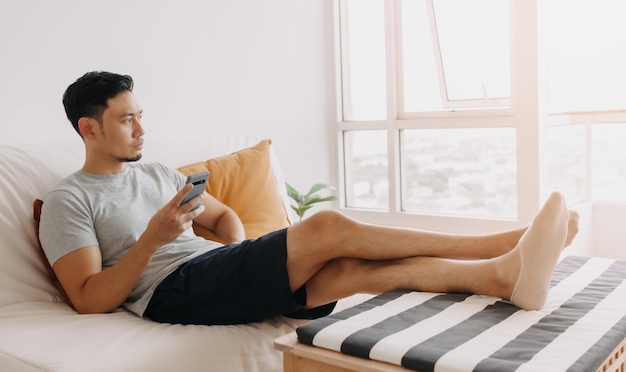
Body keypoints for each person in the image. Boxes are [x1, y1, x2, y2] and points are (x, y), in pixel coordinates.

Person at [39, 71, 580, 326]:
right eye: (125, 119)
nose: (139, 128)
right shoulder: (70, 200)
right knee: (325, 227)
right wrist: (153, 239)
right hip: (168, 293)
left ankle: (503, 276)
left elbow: (224, 217)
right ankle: (506, 241)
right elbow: (88, 297)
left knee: (351, 267)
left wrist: (236, 250)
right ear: (89, 128)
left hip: (209, 269)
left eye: (140, 115)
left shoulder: (157, 173)